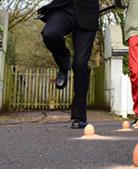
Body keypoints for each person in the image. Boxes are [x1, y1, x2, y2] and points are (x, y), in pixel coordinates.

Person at [39, 0, 99, 129]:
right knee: (50, 34)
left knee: (80, 64)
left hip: (87, 11)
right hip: (64, 7)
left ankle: (79, 116)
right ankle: (63, 65)